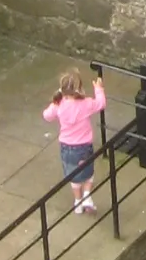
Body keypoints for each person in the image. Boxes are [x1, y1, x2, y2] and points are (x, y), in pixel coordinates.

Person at [43, 68, 108, 212]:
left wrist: (56, 101)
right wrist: (98, 89)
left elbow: (47, 116)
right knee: (88, 173)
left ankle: (78, 202)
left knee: (73, 176)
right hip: (84, 146)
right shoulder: (85, 103)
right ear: (79, 88)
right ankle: (87, 196)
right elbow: (101, 103)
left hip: (66, 147)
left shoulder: (59, 104)